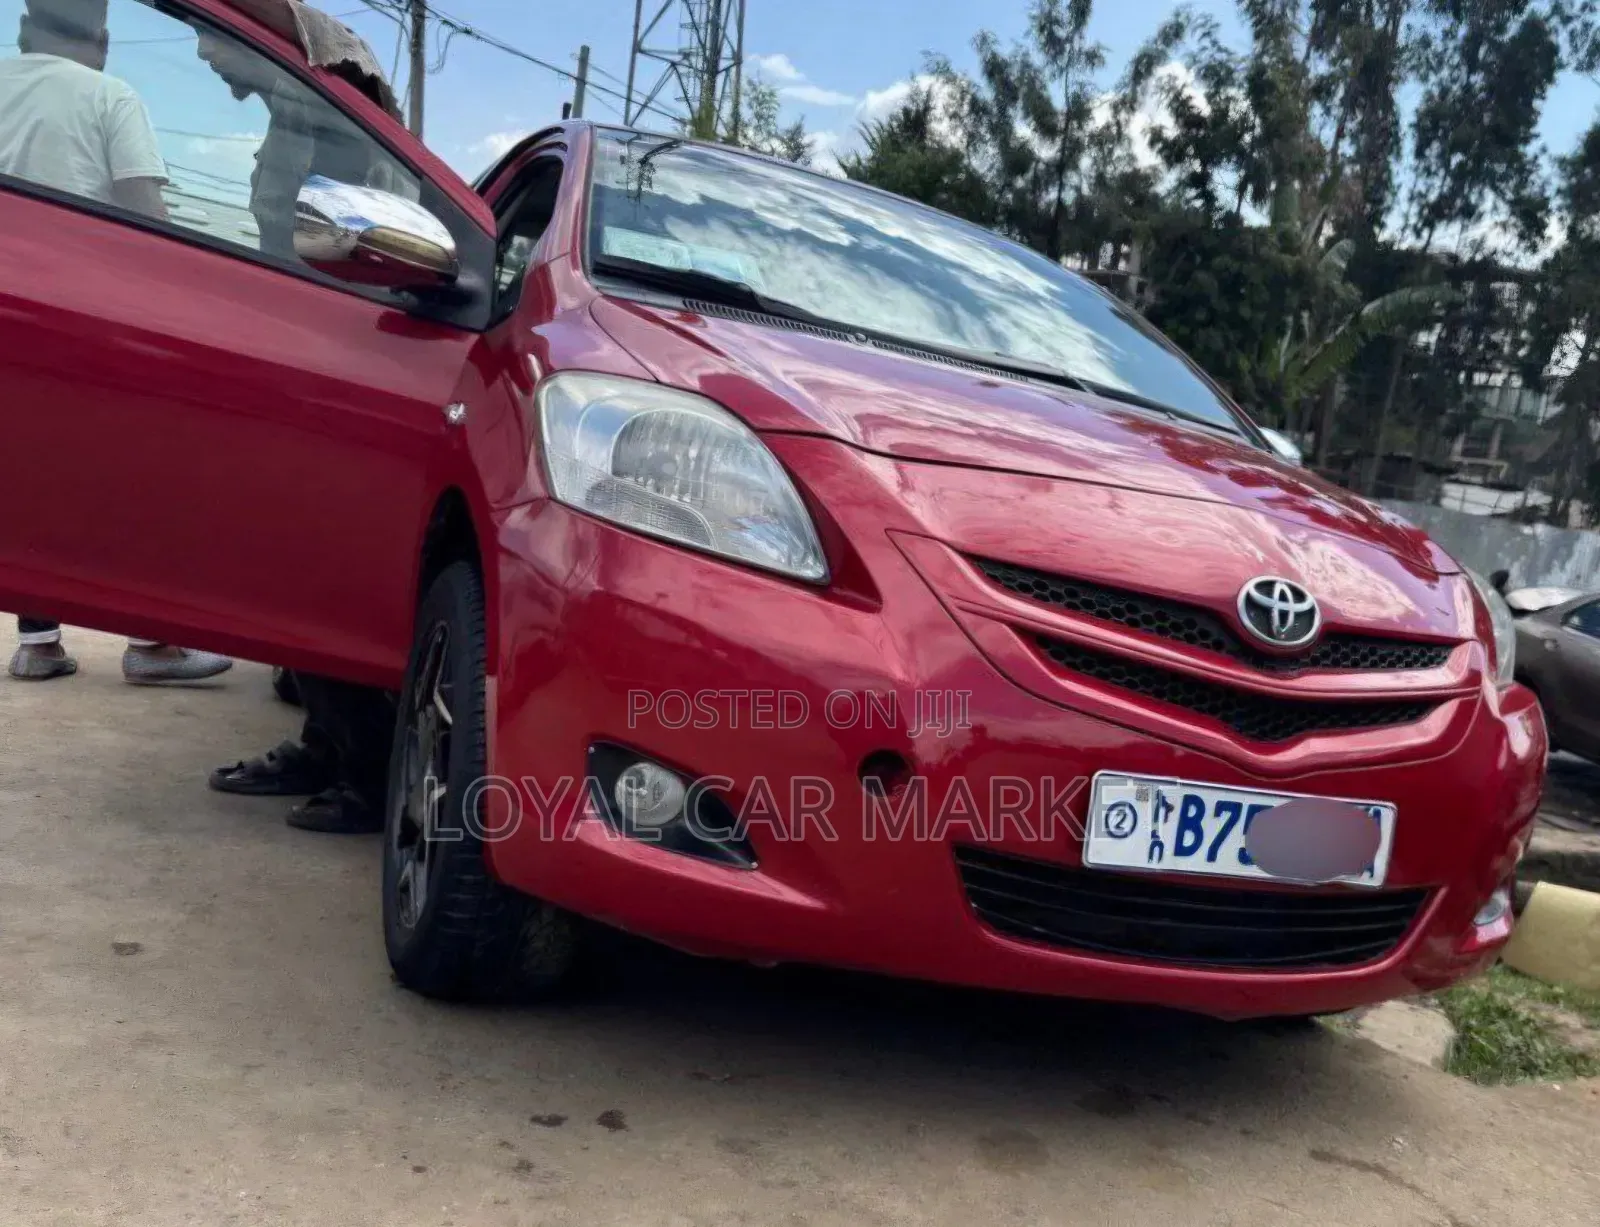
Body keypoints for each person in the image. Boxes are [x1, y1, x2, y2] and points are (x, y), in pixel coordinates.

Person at [1, 0, 231, 684]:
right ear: (102, 40)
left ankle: (37, 643)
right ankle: (153, 641)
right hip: (80, 318)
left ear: (22, 30)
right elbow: (146, 218)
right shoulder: (111, 96)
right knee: (141, 473)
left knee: (25, 476)